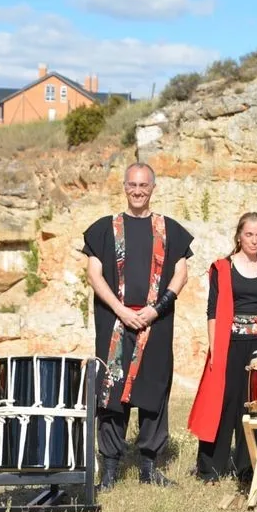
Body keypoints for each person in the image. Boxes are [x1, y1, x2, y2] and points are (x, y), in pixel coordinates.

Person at [83, 162, 194, 489]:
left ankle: (149, 466)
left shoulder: (170, 230)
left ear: (153, 188)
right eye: (132, 184)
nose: (137, 191)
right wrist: (120, 311)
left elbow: (181, 273)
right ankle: (111, 469)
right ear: (124, 186)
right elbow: (94, 273)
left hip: (155, 324)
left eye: (143, 185)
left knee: (154, 390)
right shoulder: (104, 229)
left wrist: (155, 310)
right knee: (110, 393)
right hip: (113, 323)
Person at [188, 213, 257, 484]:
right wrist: (214, 348)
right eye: (249, 234)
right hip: (229, 343)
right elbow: (212, 310)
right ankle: (210, 468)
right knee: (222, 405)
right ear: (239, 235)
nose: (254, 240)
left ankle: (248, 468)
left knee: (253, 406)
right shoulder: (223, 267)